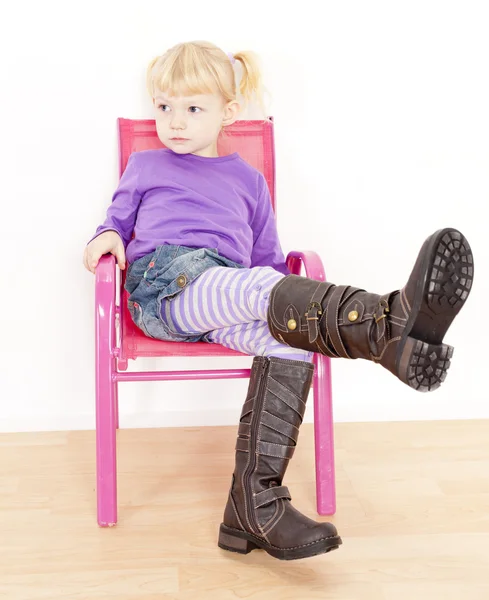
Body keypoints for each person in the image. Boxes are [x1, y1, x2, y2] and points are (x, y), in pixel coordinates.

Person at [83, 40, 474, 561]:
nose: (173, 121)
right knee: (246, 288)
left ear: (229, 112)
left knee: (287, 339)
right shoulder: (147, 164)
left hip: (226, 294)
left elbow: (267, 267)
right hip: (167, 290)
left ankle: (254, 505)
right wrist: (104, 237)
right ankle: (386, 325)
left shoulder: (248, 181)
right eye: (163, 107)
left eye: (192, 108)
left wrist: (275, 302)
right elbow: (117, 218)